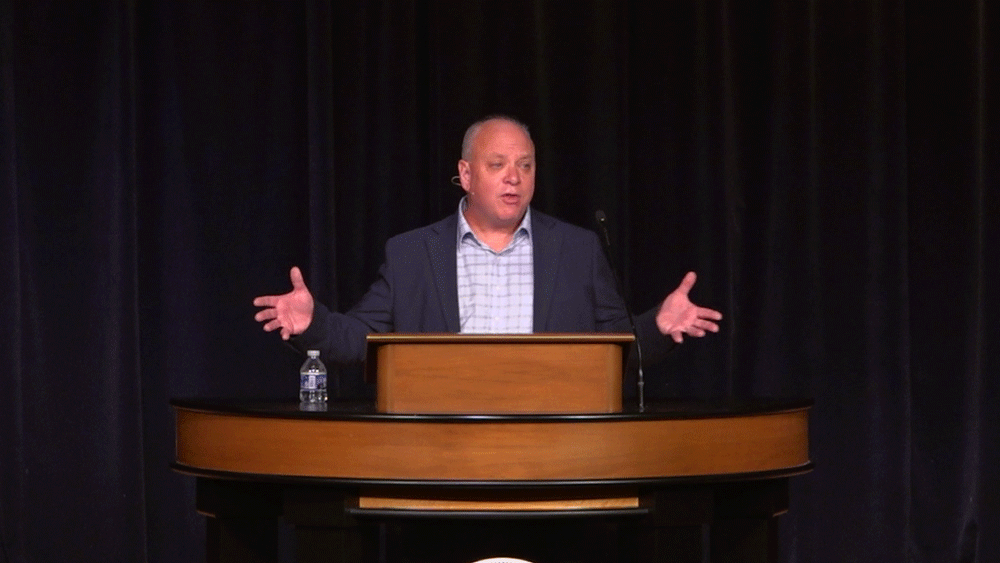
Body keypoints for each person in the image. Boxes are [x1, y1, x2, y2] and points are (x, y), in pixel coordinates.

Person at [253, 115, 722, 368]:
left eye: (525, 165)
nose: (513, 178)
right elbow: (361, 339)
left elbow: (618, 351)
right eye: (497, 164)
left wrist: (657, 326)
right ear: (465, 174)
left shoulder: (577, 250)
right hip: (444, 447)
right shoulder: (413, 254)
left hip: (555, 448)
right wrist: (314, 323)